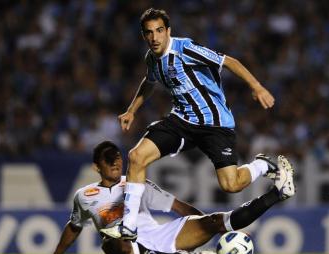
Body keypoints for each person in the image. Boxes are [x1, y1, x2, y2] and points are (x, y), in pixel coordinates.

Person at [100, 8, 295, 240]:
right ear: (144, 36)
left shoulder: (185, 49)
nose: (154, 37)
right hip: (181, 121)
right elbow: (149, 81)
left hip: (215, 124)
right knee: (136, 156)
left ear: (168, 31)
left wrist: (257, 86)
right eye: (149, 33)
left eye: (159, 31)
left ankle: (263, 164)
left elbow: (228, 61)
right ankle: (129, 227)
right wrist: (132, 110)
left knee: (231, 185)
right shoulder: (151, 59)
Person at [42, 141, 295, 254]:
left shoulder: (136, 183)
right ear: (97, 167)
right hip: (128, 245)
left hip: (161, 235)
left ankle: (278, 193)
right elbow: (75, 226)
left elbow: (177, 207)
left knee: (218, 220)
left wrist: (207, 225)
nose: (117, 163)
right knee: (111, 244)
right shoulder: (84, 196)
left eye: (118, 158)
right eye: (110, 160)